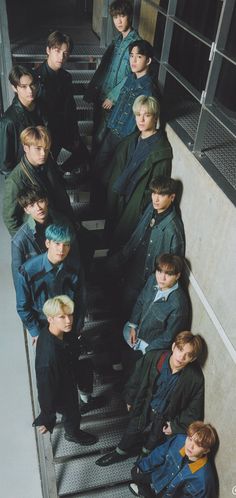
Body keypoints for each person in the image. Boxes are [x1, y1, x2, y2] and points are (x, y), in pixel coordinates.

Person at [95, 331, 204, 466]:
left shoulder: (195, 379)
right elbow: (135, 378)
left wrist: (175, 426)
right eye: (180, 349)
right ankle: (120, 452)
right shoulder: (154, 358)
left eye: (188, 355)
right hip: (145, 404)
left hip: (165, 415)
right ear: (174, 346)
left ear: (192, 359)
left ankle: (144, 456)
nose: (181, 357)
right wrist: (130, 399)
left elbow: (193, 410)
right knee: (133, 428)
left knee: (154, 439)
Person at [106, 176, 185, 317]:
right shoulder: (152, 208)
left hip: (143, 277)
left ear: (172, 197)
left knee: (128, 308)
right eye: (154, 193)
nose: (156, 199)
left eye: (161, 195)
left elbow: (174, 266)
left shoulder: (173, 229)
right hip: (129, 261)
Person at [106, 95, 172, 249]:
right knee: (112, 242)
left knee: (122, 245)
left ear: (155, 118)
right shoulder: (131, 140)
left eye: (146, 115)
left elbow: (157, 188)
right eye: (138, 115)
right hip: (119, 198)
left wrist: (142, 207)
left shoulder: (161, 151)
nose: (141, 120)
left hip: (135, 204)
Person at [33, 295, 98, 444]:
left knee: (87, 367)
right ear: (50, 319)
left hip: (68, 368)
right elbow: (45, 389)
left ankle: (87, 400)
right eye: (62, 317)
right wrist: (47, 417)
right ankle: (72, 434)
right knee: (72, 413)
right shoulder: (48, 359)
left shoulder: (59, 331)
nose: (68, 320)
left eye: (70, 315)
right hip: (60, 385)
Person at [94, 40, 160, 185]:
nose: (133, 60)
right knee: (98, 167)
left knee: (109, 176)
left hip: (126, 138)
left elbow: (146, 123)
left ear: (148, 60)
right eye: (131, 56)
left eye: (139, 57)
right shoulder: (130, 78)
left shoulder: (148, 90)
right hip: (112, 130)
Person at [84, 0, 140, 149]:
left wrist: (114, 96)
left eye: (122, 16)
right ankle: (91, 167)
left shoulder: (137, 44)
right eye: (115, 17)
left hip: (114, 100)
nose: (119, 21)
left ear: (130, 16)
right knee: (96, 134)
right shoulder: (116, 42)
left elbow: (135, 74)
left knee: (101, 139)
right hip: (102, 95)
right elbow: (106, 70)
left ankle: (95, 171)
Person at [16, 224, 85, 340]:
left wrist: (77, 326)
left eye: (66, 245)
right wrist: (36, 332)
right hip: (42, 326)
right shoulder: (27, 271)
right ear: (48, 243)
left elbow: (80, 300)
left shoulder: (75, 267)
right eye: (57, 243)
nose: (61, 249)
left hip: (68, 324)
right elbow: (22, 307)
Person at [2, 125, 74, 236]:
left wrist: (72, 220)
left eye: (46, 149)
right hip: (39, 231)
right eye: (38, 149)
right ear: (26, 148)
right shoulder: (15, 180)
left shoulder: (48, 163)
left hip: (59, 221)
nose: (43, 154)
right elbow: (10, 219)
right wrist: (27, 243)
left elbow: (59, 192)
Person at [35, 30, 89, 170]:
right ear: (48, 50)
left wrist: (75, 134)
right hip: (46, 133)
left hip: (63, 129)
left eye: (65, 53)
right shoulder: (36, 78)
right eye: (57, 51)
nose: (61, 56)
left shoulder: (66, 77)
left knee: (83, 154)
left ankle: (60, 172)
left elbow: (70, 107)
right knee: (46, 168)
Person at [123, 254, 189, 357]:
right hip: (135, 331)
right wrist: (133, 326)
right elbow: (140, 301)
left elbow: (168, 337)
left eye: (168, 274)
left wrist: (147, 349)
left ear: (177, 276)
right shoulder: (152, 279)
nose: (162, 278)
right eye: (159, 271)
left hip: (151, 345)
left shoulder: (178, 305)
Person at [129, 421, 217, 498]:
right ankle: (147, 493)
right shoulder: (179, 440)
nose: (191, 446)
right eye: (190, 439)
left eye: (198, 445)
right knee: (134, 471)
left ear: (206, 450)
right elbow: (159, 453)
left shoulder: (204, 479)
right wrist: (142, 466)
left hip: (170, 495)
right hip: (160, 477)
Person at [11, 187, 76, 289]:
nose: (38, 208)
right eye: (32, 205)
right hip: (38, 289)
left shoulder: (64, 223)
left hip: (64, 283)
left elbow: (76, 260)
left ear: (46, 200)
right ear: (26, 210)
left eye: (40, 201)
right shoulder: (19, 240)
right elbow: (19, 279)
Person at [0, 65, 47, 176]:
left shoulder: (43, 107)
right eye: (23, 86)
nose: (30, 90)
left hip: (43, 171)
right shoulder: (8, 121)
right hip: (24, 178)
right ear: (14, 88)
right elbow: (5, 165)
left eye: (32, 85)